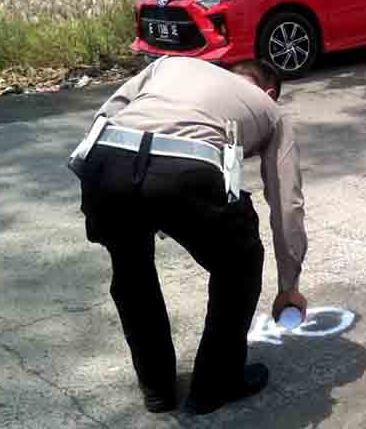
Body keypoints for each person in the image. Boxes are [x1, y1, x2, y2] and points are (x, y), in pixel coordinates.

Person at [72, 57, 307, 415]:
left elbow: (110, 110)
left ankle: (157, 389)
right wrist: (289, 285)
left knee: (131, 269)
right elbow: (286, 203)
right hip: (185, 172)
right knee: (240, 264)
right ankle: (217, 383)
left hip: (105, 164)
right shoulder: (272, 111)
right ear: (270, 91)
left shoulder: (170, 65)